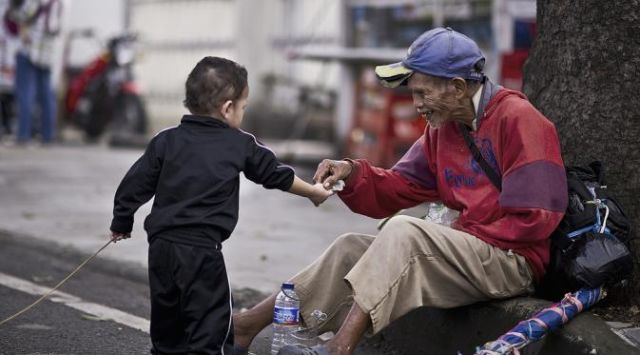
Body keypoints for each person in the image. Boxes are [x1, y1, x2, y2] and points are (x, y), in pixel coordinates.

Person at [232, 27, 568, 355]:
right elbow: (400, 185)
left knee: (404, 231)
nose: (417, 104)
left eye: (423, 93)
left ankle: (339, 347)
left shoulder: (519, 119)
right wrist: (351, 172)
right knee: (350, 247)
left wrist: (455, 230)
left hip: (513, 262)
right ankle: (247, 324)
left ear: (457, 86)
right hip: (469, 254)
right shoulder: (443, 128)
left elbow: (537, 216)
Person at [109, 56, 334, 355]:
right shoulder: (240, 144)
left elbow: (133, 185)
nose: (242, 112)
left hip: (161, 248)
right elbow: (275, 174)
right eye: (243, 106)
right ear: (228, 108)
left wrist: (121, 222)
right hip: (202, 253)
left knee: (167, 321)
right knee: (211, 323)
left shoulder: (165, 141)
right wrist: (314, 192)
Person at [4, 0, 63, 145]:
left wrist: (12, 9)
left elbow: (23, 14)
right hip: (48, 52)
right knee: (47, 95)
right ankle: (48, 136)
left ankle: (23, 135)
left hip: (30, 48)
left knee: (25, 93)